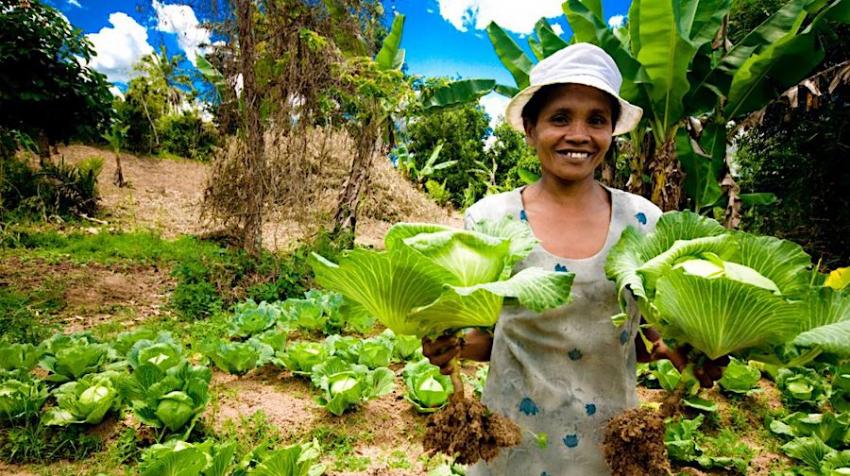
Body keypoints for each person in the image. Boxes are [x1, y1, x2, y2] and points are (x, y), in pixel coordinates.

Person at [422, 43, 721, 475]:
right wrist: (449, 346)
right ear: (530, 128)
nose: (578, 134)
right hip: (511, 443)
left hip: (610, 445)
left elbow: (646, 338)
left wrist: (691, 353)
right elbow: (495, 338)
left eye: (596, 120)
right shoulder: (491, 219)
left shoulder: (642, 221)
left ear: (612, 132)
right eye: (559, 117)